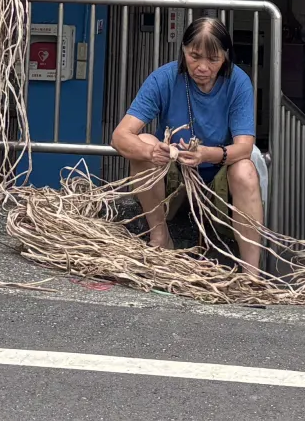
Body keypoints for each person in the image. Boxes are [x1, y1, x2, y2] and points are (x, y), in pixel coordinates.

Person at [111, 16, 266, 273]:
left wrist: (206, 154)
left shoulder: (238, 82)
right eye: (194, 56)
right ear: (183, 51)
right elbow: (120, 136)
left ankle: (252, 273)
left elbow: (244, 147)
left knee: (246, 169)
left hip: (218, 174)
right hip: (173, 172)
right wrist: (152, 151)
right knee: (144, 142)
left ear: (225, 57)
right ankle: (160, 237)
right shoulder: (164, 78)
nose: (202, 67)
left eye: (213, 59)